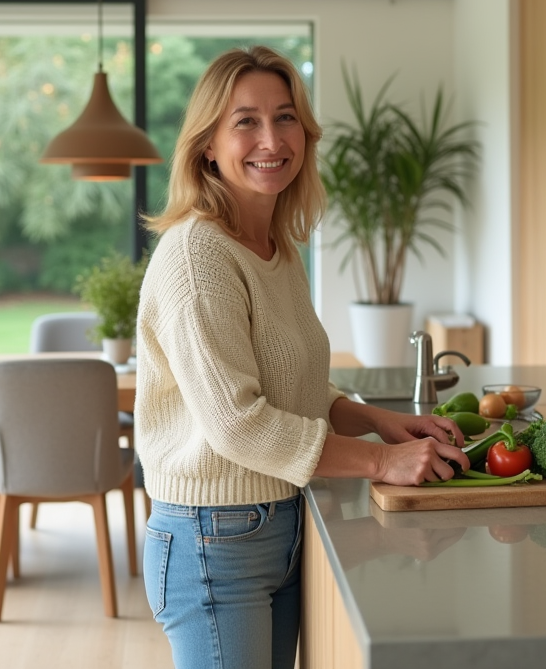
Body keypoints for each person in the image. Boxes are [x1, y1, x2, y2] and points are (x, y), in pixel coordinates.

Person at [134, 46, 469, 669]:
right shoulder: (196, 256)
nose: (271, 138)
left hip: (283, 521)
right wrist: (382, 461)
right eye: (246, 121)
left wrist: (377, 418)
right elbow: (239, 424)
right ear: (207, 143)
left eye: (285, 117)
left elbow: (296, 390)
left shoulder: (276, 249)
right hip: (215, 539)